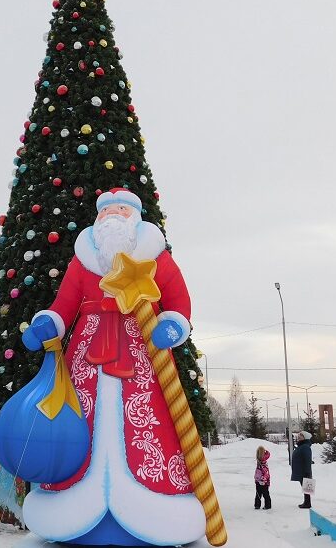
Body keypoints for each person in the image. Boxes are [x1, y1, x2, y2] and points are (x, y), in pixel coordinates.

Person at [21, 189, 204, 546]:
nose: (112, 217)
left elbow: (179, 301)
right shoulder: (83, 262)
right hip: (87, 359)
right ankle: (69, 503)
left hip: (143, 355)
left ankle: (156, 502)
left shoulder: (155, 258)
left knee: (148, 423)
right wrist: (48, 324)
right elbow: (64, 305)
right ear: (97, 220)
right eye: (105, 211)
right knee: (80, 421)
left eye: (121, 210)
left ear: (135, 217)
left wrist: (173, 324)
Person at [291, 430, 314, 509]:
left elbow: (307, 459)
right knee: (305, 487)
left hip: (304, 471)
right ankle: (306, 502)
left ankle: (307, 503)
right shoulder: (302, 446)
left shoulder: (305, 447)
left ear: (305, 437)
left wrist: (307, 471)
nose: (298, 436)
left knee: (306, 487)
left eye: (300, 435)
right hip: (301, 470)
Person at [254, 446, 272, 510]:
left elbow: (266, 472)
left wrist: (263, 480)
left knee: (264, 493)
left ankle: (267, 505)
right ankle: (257, 505)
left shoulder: (263, 461)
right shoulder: (260, 461)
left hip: (264, 481)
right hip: (259, 480)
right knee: (260, 493)